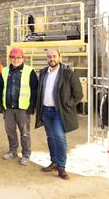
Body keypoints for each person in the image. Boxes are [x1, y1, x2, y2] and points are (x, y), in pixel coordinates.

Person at [35, 49, 83, 179]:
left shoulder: (68, 74)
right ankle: (54, 162)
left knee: (59, 136)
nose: (52, 59)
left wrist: (67, 105)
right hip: (46, 110)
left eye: (54, 56)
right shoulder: (43, 72)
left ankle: (61, 167)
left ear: (59, 58)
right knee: (50, 137)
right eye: (49, 56)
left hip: (59, 112)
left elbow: (78, 94)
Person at [0, 47, 38, 165]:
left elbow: (35, 90)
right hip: (9, 108)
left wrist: (32, 106)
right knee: (10, 131)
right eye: (13, 57)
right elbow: (0, 89)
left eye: (18, 57)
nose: (15, 60)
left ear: (23, 58)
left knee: (24, 132)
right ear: (10, 58)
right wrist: (1, 106)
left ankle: (26, 154)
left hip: (23, 109)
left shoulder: (29, 71)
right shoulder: (4, 71)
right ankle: (13, 151)